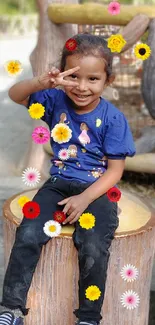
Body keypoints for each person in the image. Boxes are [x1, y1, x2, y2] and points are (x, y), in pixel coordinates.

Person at [0, 33, 136, 325]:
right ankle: (10, 309)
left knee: (93, 245)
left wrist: (85, 198)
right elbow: (14, 94)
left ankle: (88, 317)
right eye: (74, 77)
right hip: (57, 184)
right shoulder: (53, 99)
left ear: (107, 80)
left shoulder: (113, 119)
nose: (82, 87)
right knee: (27, 234)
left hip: (97, 191)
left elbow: (115, 171)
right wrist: (42, 83)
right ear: (61, 75)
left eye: (93, 79)